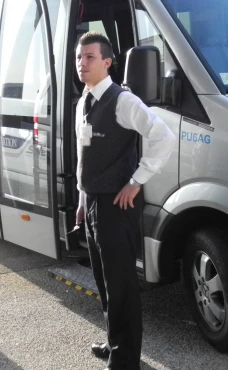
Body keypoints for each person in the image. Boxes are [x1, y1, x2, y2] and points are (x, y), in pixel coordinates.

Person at [74, 32, 176, 370]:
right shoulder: (84, 100)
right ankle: (114, 341)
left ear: (107, 62)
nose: (81, 63)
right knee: (103, 281)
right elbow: (82, 155)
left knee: (121, 285)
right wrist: (80, 195)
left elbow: (163, 136)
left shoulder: (123, 101)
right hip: (92, 201)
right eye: (79, 57)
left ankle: (126, 359)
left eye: (89, 57)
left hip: (117, 206)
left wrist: (136, 182)